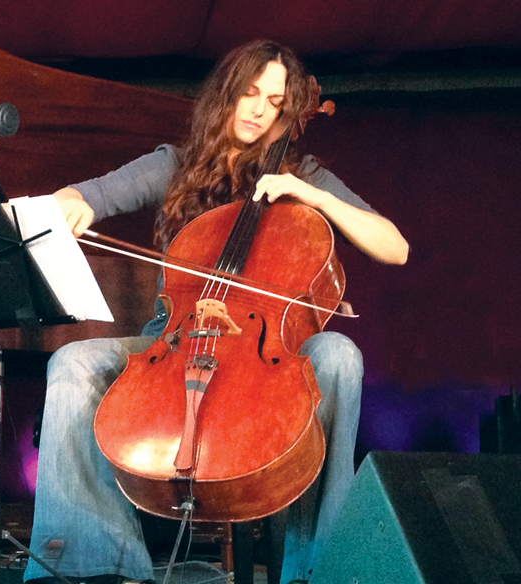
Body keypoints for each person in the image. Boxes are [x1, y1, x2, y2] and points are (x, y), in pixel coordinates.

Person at [24, 39, 409, 584]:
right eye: (250, 93)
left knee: (339, 353)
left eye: (275, 101)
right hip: (173, 339)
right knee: (73, 363)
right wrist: (75, 203)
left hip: (271, 348)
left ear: (288, 112)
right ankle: (95, 563)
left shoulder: (303, 174)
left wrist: (311, 195)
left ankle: (323, 564)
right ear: (227, 93)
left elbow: (396, 247)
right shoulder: (174, 164)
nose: (258, 110)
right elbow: (85, 195)